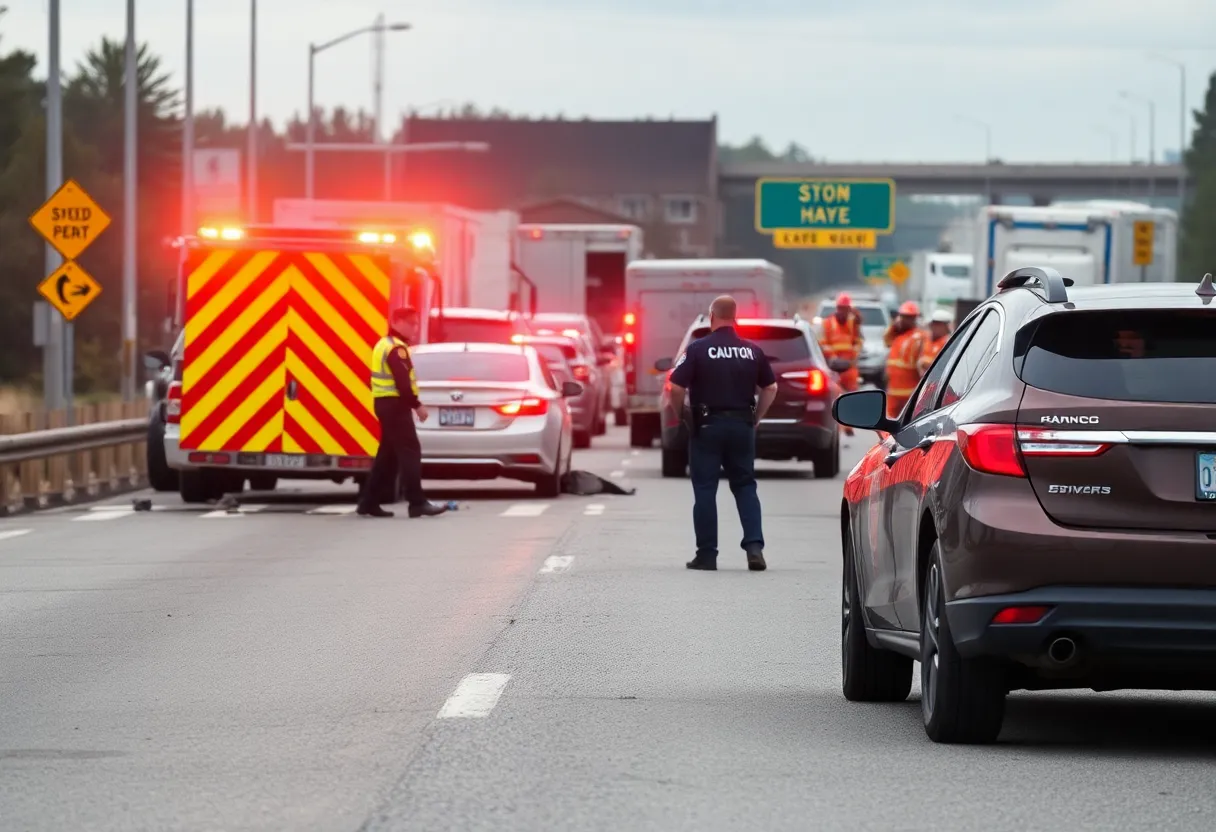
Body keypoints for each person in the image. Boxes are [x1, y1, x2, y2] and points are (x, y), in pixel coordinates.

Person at [667, 295, 778, 572]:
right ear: (735, 317)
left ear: (712, 316)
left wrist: (681, 414)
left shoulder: (698, 349)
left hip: (707, 427)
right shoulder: (752, 351)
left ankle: (707, 555)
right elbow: (771, 387)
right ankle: (754, 548)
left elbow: (676, 387)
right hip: (742, 426)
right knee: (745, 486)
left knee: (705, 489)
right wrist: (756, 417)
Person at [357, 307, 448, 519]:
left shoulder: (383, 344)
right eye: (411, 323)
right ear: (396, 322)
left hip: (385, 404)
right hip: (395, 406)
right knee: (410, 451)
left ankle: (368, 502)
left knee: (387, 455)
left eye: (416, 323)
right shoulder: (396, 349)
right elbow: (403, 383)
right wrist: (417, 405)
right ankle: (417, 503)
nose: (415, 328)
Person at [819, 292, 864, 436]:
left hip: (849, 366)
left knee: (851, 397)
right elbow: (823, 343)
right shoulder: (827, 323)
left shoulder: (853, 323)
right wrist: (833, 357)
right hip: (834, 366)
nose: (842, 311)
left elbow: (858, 341)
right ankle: (839, 426)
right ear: (837, 308)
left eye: (845, 308)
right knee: (836, 397)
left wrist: (853, 356)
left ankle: (848, 425)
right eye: (840, 308)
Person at [884, 300, 926, 420]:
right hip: (893, 393)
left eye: (907, 317)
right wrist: (894, 325)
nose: (903, 320)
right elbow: (886, 340)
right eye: (902, 316)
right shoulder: (898, 335)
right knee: (888, 425)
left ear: (914, 318)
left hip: (909, 394)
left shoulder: (919, 336)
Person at [917, 309, 953, 374]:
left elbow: (943, 367)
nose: (933, 326)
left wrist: (925, 363)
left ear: (946, 326)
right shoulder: (926, 339)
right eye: (932, 323)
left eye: (937, 324)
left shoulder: (949, 343)